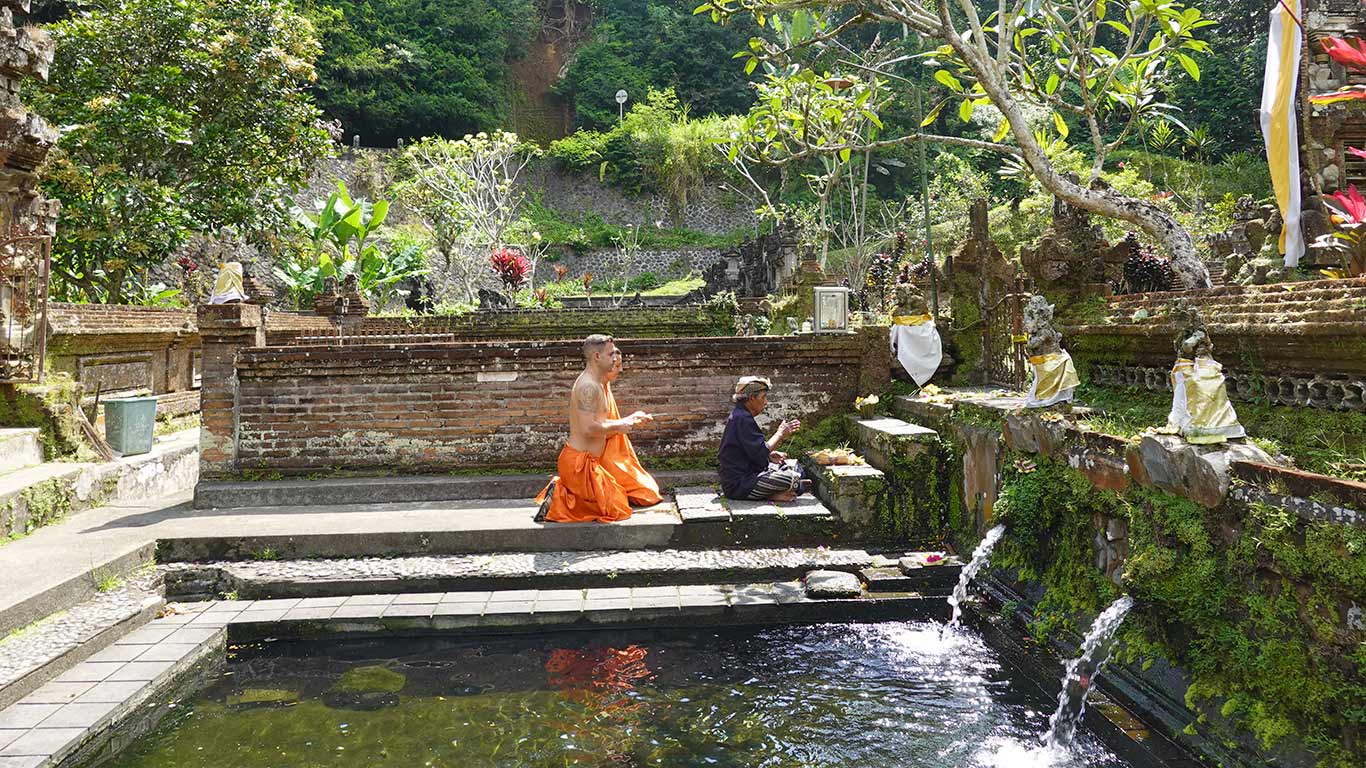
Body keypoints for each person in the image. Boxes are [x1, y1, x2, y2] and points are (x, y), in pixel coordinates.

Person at [535, 334, 662, 523]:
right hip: (579, 464)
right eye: (611, 354)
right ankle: (559, 498)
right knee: (617, 508)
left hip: (588, 462)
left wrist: (630, 419)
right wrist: (620, 425)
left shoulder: (598, 384)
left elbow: (600, 422)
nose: (615, 358)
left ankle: (567, 493)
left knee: (620, 499)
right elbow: (588, 429)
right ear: (597, 357)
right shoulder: (589, 387)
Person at [718, 376, 809, 502]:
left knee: (795, 466)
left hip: (749, 477)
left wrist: (769, 456)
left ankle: (775, 492)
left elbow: (753, 454)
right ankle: (771, 495)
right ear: (751, 398)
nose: (766, 402)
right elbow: (760, 451)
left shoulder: (741, 416)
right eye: (763, 397)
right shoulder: (741, 418)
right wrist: (780, 433)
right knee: (794, 478)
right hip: (739, 485)